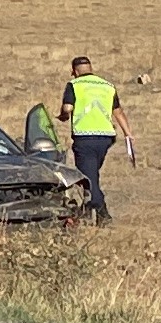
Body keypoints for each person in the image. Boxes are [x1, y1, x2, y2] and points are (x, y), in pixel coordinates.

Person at [60, 55, 134, 222]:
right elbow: (118, 112)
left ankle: (99, 211)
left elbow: (68, 107)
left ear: (74, 72)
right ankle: (94, 212)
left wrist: (63, 115)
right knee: (92, 174)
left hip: (85, 137)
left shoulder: (74, 85)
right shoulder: (107, 86)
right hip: (106, 137)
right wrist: (128, 133)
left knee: (88, 178)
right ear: (91, 69)